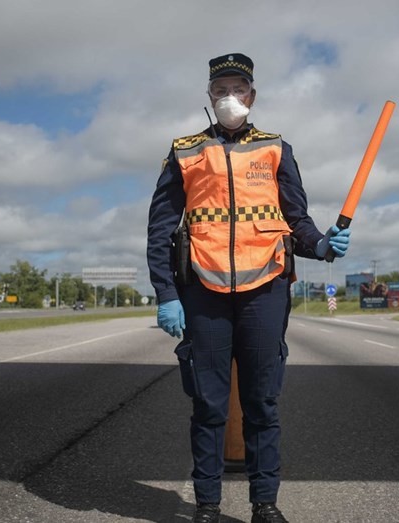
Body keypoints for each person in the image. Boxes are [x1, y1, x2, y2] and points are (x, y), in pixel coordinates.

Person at [146, 53, 351, 523]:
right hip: (203, 290)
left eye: (238, 89)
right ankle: (207, 506)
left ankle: (265, 505)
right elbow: (160, 229)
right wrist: (167, 293)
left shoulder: (276, 147)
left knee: (261, 401)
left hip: (265, 290)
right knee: (209, 403)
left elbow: (295, 220)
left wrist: (321, 244)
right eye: (221, 90)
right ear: (209, 97)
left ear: (253, 96)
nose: (230, 98)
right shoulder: (184, 151)